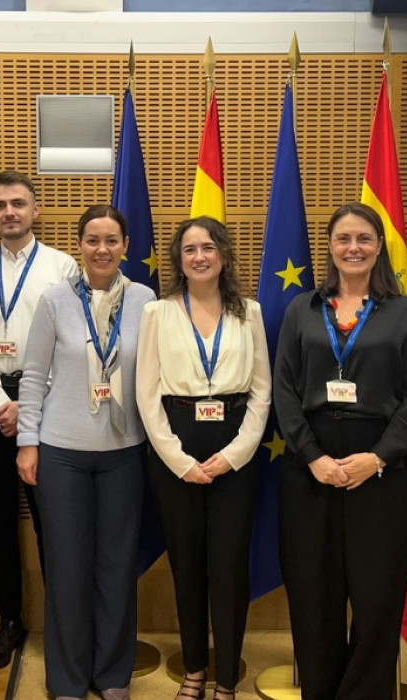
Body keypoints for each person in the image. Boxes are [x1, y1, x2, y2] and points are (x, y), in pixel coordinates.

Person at [272, 202, 407, 700]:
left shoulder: (405, 313)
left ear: (380, 246)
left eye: (364, 238)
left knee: (377, 599)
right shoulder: (302, 309)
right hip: (311, 466)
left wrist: (377, 457)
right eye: (343, 238)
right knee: (313, 597)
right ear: (330, 247)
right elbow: (284, 391)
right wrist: (313, 456)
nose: (353, 247)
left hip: (383, 469)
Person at [16, 205, 155, 700]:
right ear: (79, 246)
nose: (102, 249)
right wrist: (27, 442)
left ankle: (113, 674)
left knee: (117, 567)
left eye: (111, 240)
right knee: (67, 567)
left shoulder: (145, 300)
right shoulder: (55, 300)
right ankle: (68, 679)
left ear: (126, 246)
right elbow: (33, 375)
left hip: (124, 452)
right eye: (92, 240)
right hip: (62, 453)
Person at [136, 217, 271, 700]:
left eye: (209, 247)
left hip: (236, 452)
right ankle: (194, 668)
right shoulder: (157, 313)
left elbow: (262, 392)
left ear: (224, 255)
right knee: (187, 564)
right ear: (179, 258)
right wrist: (180, 461)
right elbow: (146, 394)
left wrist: (235, 455)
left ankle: (227, 678)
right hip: (176, 448)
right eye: (190, 249)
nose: (199, 256)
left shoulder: (249, 312)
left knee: (230, 567)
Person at [0, 170, 78, 668]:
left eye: (17, 203)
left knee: (54, 520)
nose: (9, 212)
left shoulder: (63, 266)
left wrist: (29, 405)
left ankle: (63, 625)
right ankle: (10, 621)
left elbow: (70, 341)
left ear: (36, 210)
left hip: (48, 403)